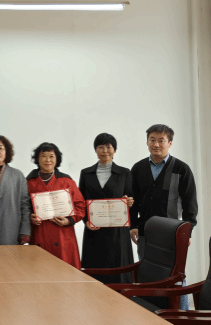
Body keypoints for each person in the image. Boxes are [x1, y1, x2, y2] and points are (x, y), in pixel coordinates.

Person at [130, 124, 198, 309]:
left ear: (170, 143)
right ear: (147, 142)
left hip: (172, 234)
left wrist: (188, 232)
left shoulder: (181, 169)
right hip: (145, 232)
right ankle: (151, 314)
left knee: (176, 276)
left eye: (161, 140)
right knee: (147, 274)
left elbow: (190, 204)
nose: (156, 144)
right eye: (152, 140)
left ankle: (181, 314)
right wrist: (133, 225)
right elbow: (132, 201)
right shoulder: (138, 168)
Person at [79, 133, 134, 283]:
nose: (105, 151)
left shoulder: (124, 173)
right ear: (95, 150)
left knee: (119, 272)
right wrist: (86, 221)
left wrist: (129, 201)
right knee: (95, 273)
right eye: (100, 147)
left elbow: (130, 198)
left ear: (114, 150)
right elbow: (81, 201)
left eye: (108, 147)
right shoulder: (86, 173)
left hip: (117, 232)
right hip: (94, 230)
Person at [27, 142, 85, 268]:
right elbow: (23, 207)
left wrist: (69, 220)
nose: (48, 160)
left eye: (51, 156)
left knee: (64, 273)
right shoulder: (28, 182)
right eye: (43, 156)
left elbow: (80, 206)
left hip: (63, 235)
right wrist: (29, 217)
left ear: (57, 159)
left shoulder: (67, 181)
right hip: (39, 233)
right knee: (40, 271)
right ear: (37, 159)